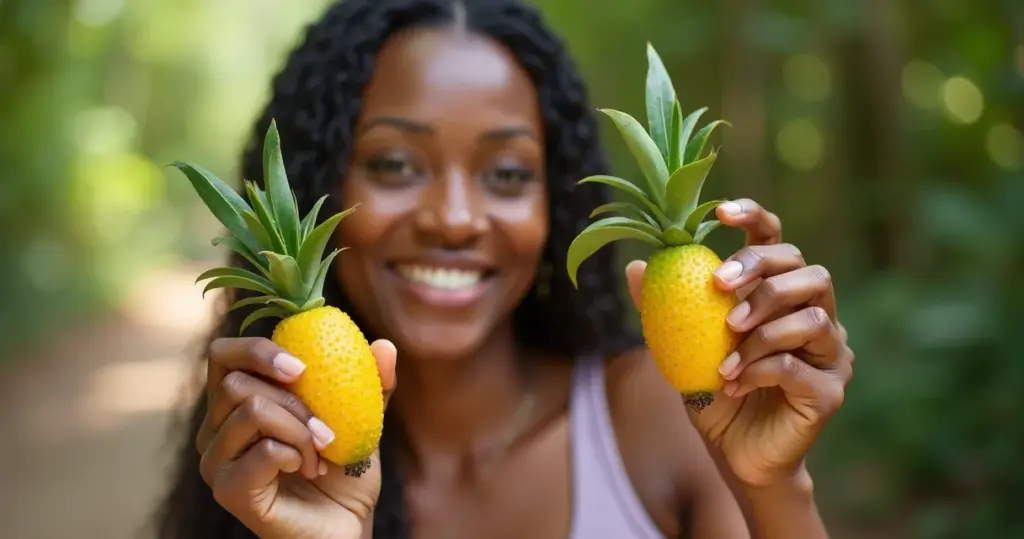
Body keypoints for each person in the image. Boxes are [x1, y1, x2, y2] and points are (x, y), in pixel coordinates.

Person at [154, 0, 854, 537]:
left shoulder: (662, 417)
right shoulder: (271, 475)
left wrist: (774, 485)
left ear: (555, 201)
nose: (455, 217)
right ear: (317, 188)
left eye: (507, 172)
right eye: (395, 163)